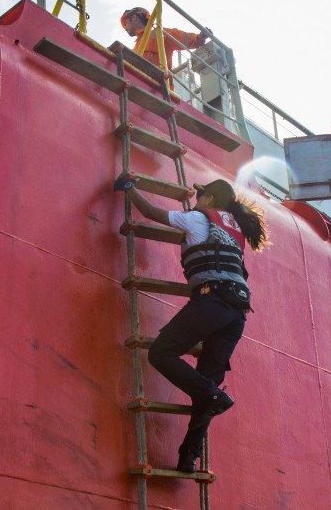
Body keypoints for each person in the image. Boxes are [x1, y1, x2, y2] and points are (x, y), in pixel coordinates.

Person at [115, 177, 269, 473]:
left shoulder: (198, 218)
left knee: (161, 352)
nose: (195, 200)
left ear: (209, 199)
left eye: (200, 196)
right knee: (205, 389)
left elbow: (149, 212)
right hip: (236, 315)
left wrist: (129, 187)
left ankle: (214, 396)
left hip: (213, 303)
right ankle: (188, 457)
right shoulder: (233, 228)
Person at [120, 7, 207, 72]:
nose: (125, 28)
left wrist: (199, 38)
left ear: (134, 18)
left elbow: (179, 37)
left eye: (126, 23)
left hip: (159, 88)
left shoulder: (157, 34)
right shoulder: (136, 47)